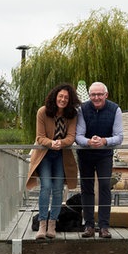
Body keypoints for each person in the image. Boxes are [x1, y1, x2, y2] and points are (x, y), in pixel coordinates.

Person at [26, 83, 81, 240]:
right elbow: (39, 137)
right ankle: (42, 225)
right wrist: (52, 143)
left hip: (61, 156)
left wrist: (61, 144)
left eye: (66, 97)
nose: (63, 99)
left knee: (58, 189)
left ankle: (52, 224)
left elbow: (71, 137)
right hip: (44, 155)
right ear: (55, 97)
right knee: (46, 187)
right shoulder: (43, 112)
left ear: (70, 100)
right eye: (60, 96)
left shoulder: (72, 114)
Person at [75, 81, 124, 238]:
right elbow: (78, 135)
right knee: (86, 187)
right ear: (89, 96)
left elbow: (119, 137)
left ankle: (104, 226)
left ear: (106, 95)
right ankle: (89, 225)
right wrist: (89, 142)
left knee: (104, 186)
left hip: (105, 154)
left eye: (99, 94)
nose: (96, 97)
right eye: (93, 95)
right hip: (85, 154)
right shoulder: (82, 109)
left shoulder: (115, 109)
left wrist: (104, 141)